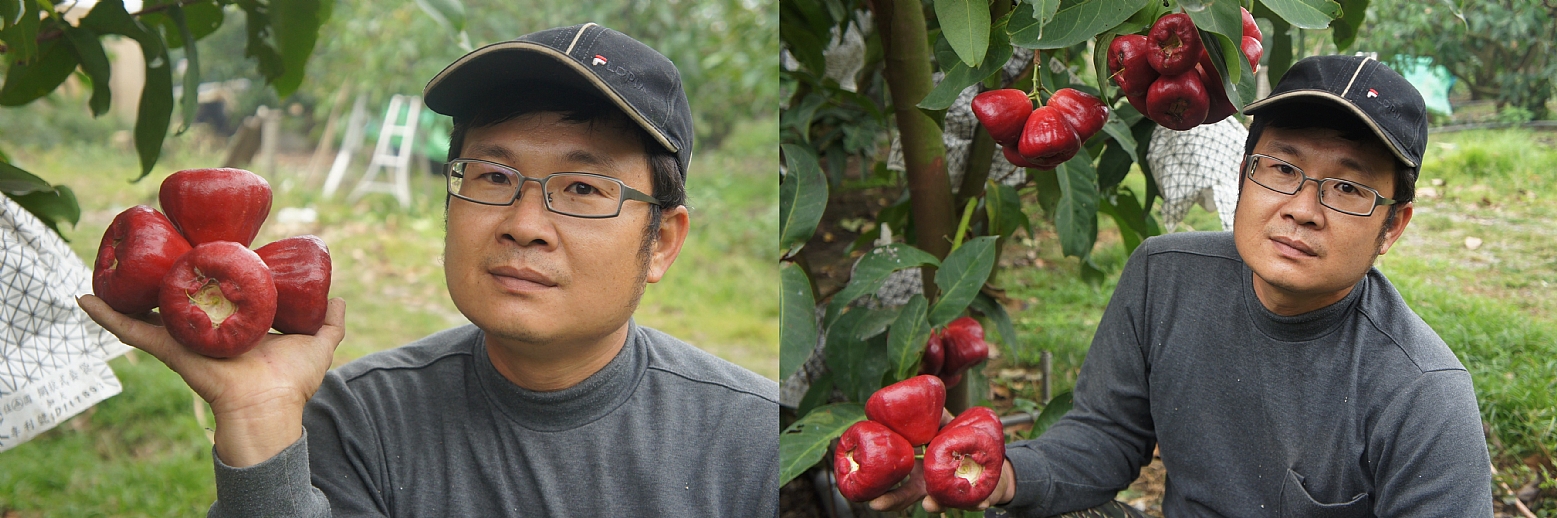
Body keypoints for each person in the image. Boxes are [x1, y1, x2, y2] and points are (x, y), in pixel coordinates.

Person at [78, 23, 779, 516]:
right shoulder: (358, 419)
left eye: (583, 189)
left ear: (661, 241)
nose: (524, 224)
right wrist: (256, 420)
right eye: (493, 173)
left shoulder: (761, 444)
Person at [873, 55, 1493, 516]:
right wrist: (1006, 475)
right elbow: (1105, 435)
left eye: (1350, 188)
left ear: (1392, 227)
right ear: (1244, 175)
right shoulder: (1162, 277)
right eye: (1282, 167)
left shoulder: (1423, 395)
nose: (1303, 209)